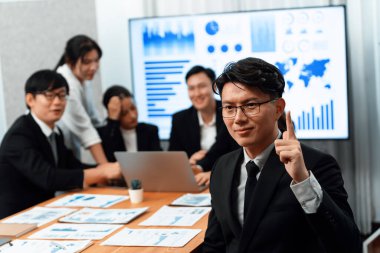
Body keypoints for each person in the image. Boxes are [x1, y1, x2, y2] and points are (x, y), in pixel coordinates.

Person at [203, 57, 361, 253]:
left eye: (250, 105)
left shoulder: (315, 165)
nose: (238, 119)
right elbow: (214, 244)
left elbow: (348, 245)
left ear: (278, 108)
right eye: (229, 108)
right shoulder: (222, 167)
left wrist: (303, 181)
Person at [0, 70, 121, 219]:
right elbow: (48, 178)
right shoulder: (19, 135)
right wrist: (101, 172)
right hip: (15, 219)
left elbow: (71, 166)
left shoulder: (55, 132)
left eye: (62, 95)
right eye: (49, 95)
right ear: (30, 99)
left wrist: (109, 170)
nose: (57, 102)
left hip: (43, 213)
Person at [168, 65, 238, 186]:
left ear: (214, 86)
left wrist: (210, 171)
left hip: (228, 179)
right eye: (191, 88)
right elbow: (173, 160)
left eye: (201, 86)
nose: (197, 93)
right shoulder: (180, 119)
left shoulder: (230, 111)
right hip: (194, 182)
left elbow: (236, 153)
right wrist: (188, 163)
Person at [55, 34, 107, 164]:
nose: (94, 67)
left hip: (70, 149)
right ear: (70, 61)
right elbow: (85, 129)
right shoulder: (66, 86)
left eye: (96, 60)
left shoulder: (83, 79)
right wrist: (106, 167)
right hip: (57, 150)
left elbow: (93, 119)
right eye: (87, 62)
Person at [97, 85, 162, 162]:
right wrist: (112, 120)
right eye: (124, 113)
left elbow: (158, 161)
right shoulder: (106, 134)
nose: (133, 116)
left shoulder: (150, 131)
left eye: (133, 108)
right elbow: (109, 158)